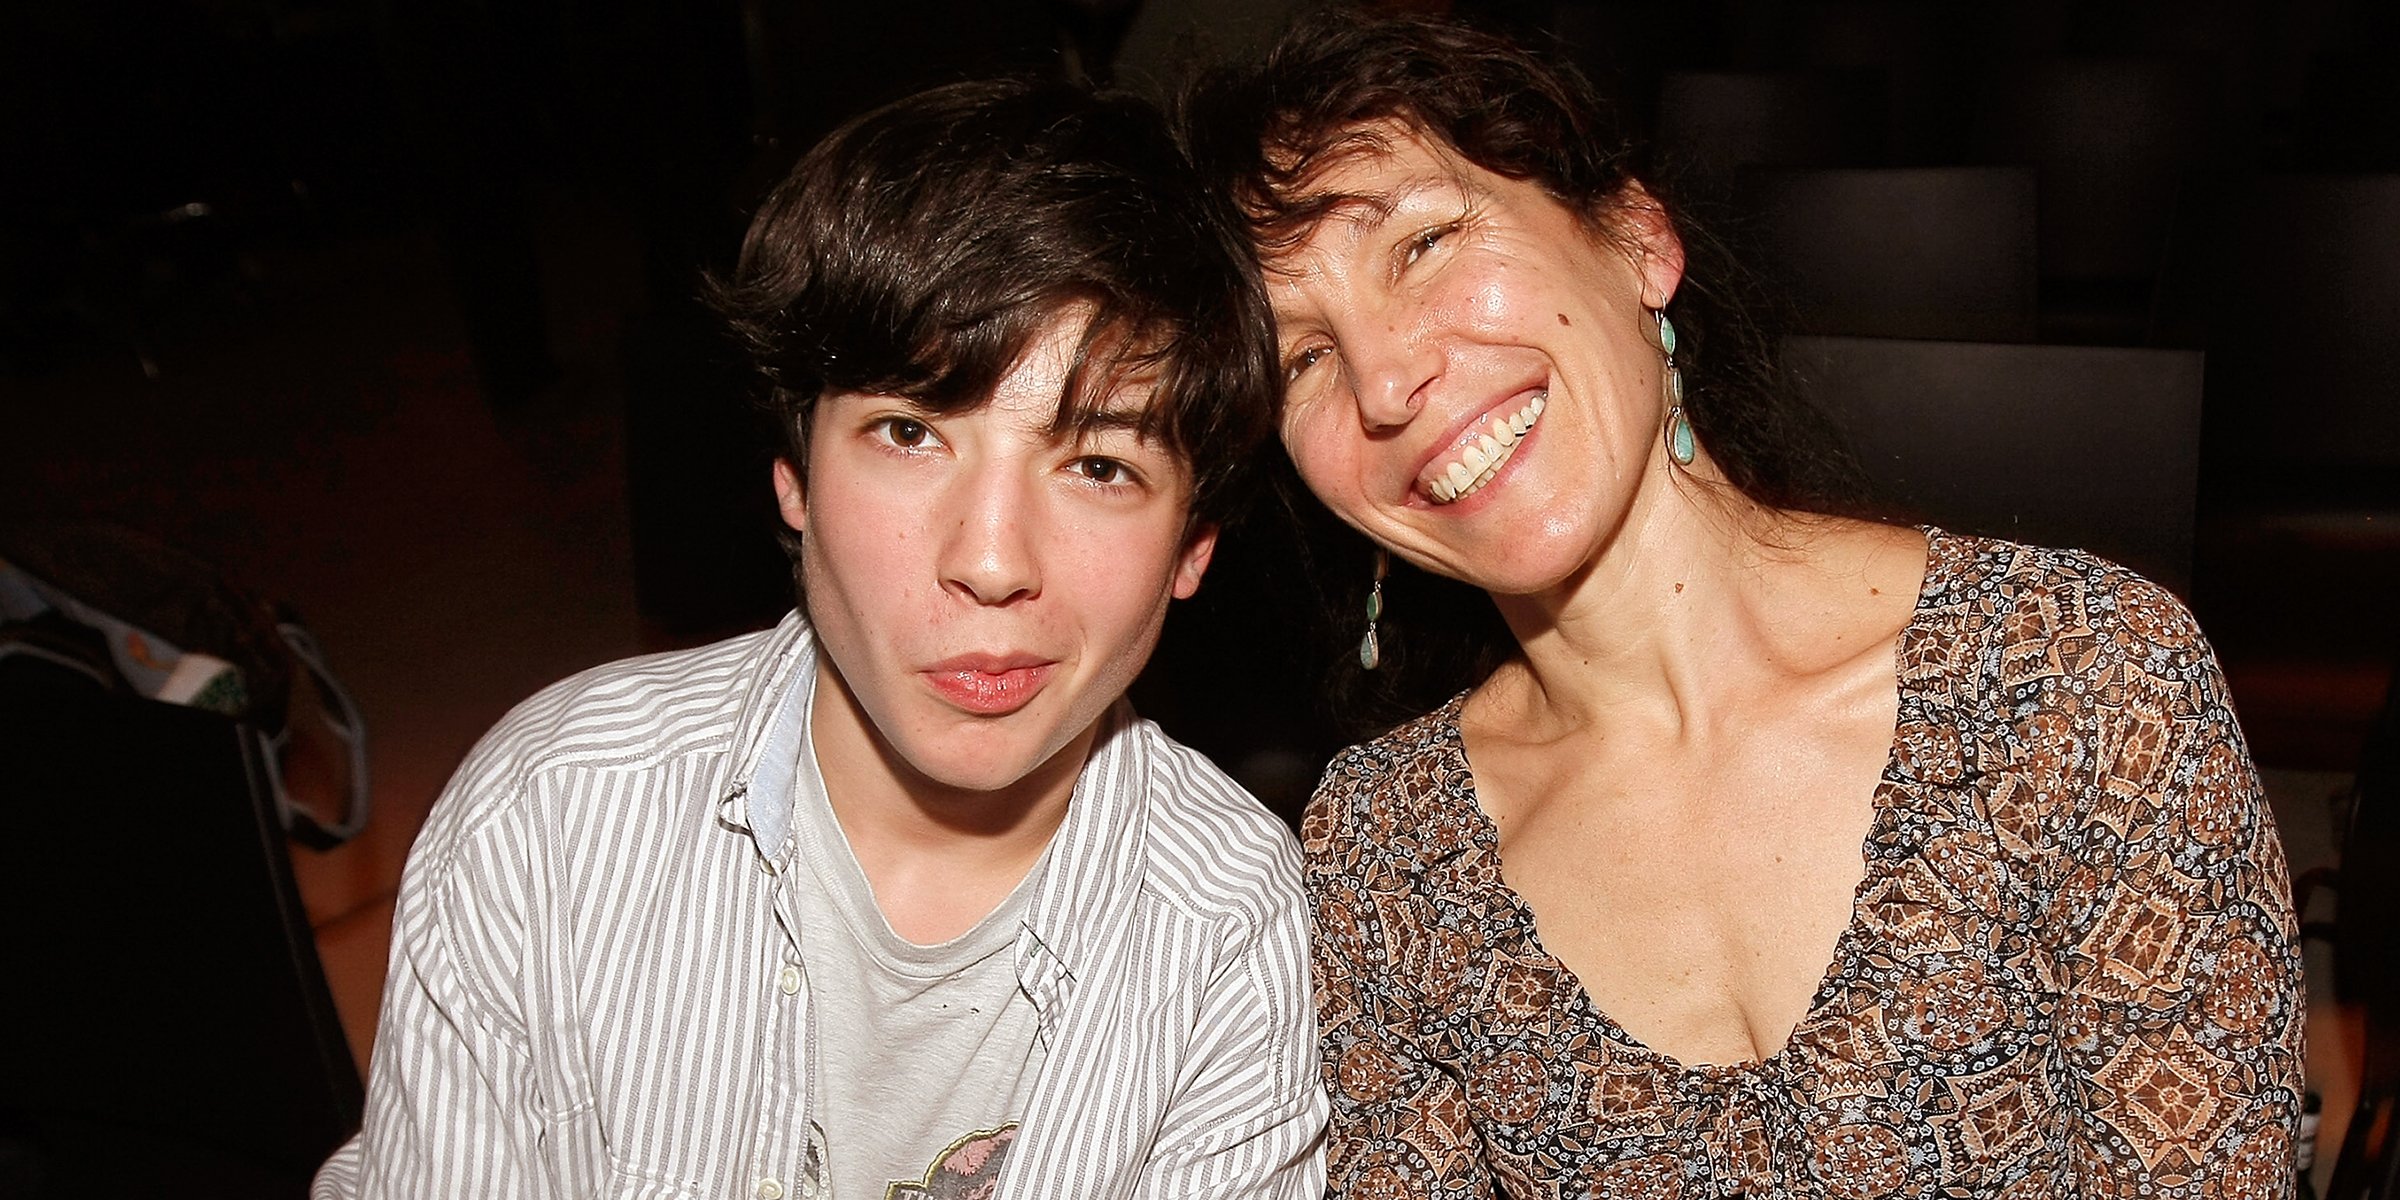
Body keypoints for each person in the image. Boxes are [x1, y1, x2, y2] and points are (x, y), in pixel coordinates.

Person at [1183, 13, 2305, 1197]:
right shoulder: (1384, 855)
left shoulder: (2079, 683)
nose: (1386, 380)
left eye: (1422, 243)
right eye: (1301, 358)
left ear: (1634, 236)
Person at [315, 78, 1327, 1200]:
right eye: (909, 433)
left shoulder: (1230, 930)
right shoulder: (552, 810)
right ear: (793, 474)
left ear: (1193, 548)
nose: (992, 560)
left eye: (1099, 467)